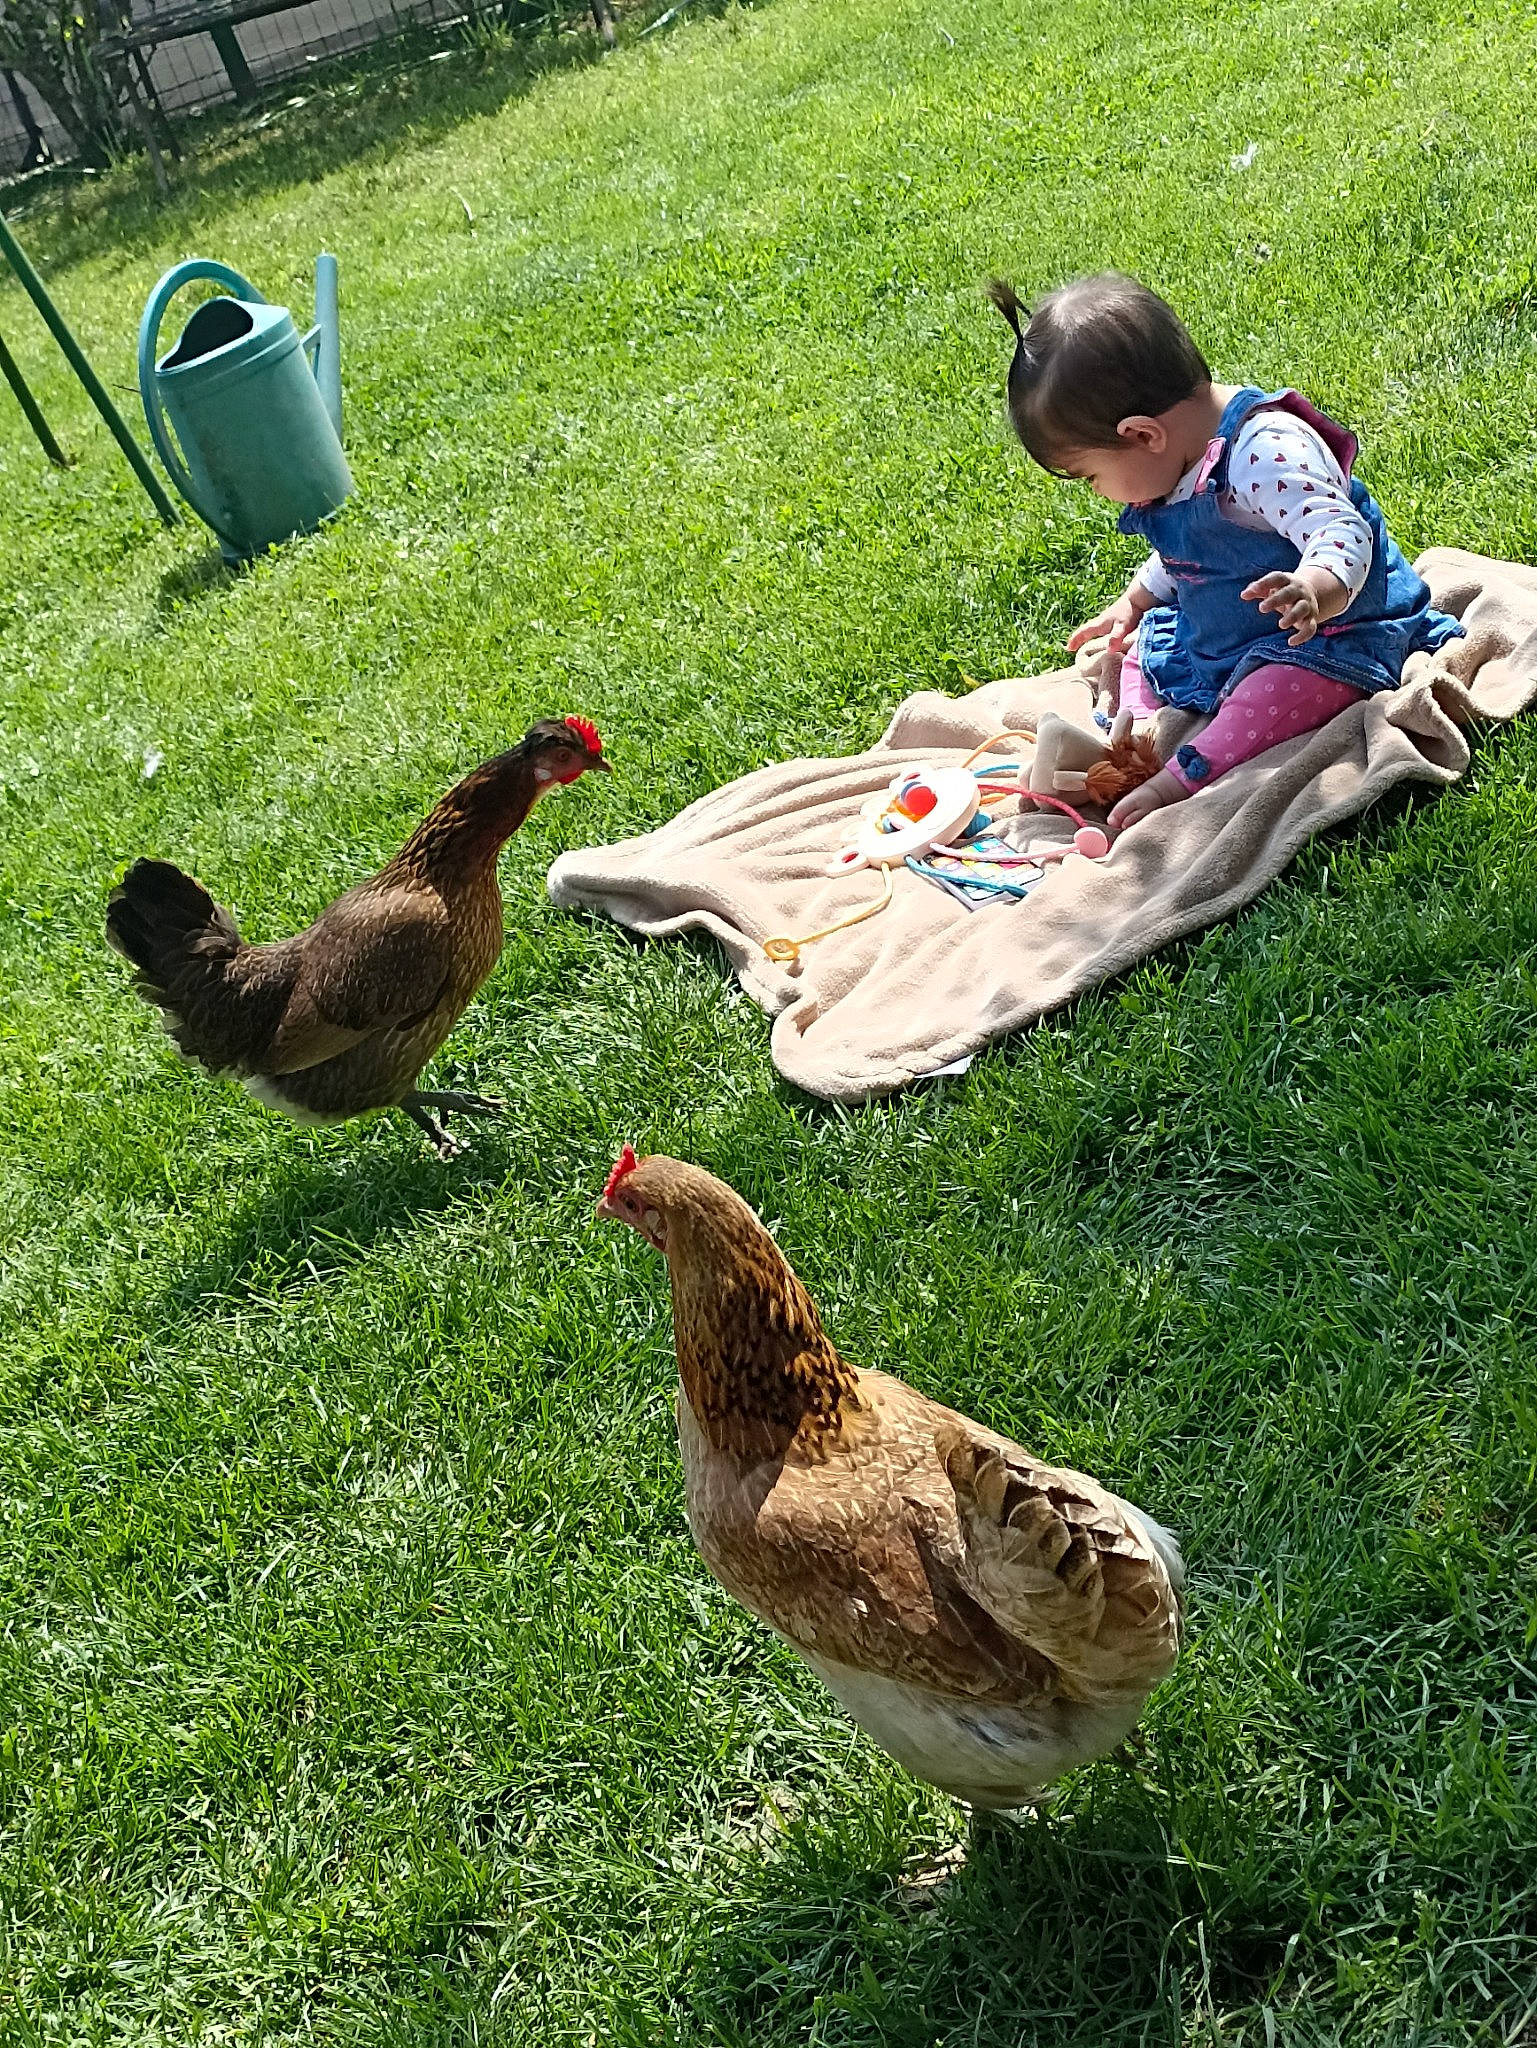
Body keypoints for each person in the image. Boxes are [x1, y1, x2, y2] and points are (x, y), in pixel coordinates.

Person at [989, 273, 1464, 828]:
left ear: (1144, 435)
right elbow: (1186, 551)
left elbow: (1343, 533)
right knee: (1145, 644)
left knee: (1280, 690)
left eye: (1090, 476)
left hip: (1333, 633)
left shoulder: (1265, 454)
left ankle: (1184, 773)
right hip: (1232, 630)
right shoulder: (1182, 457)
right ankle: (1129, 743)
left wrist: (1313, 587)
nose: (1097, 491)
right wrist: (1135, 600)